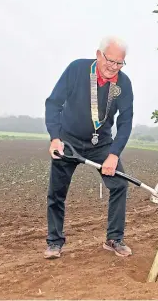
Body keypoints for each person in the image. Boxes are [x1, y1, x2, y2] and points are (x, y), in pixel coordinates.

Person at [43, 36, 134, 258]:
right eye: (110, 61)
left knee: (119, 185)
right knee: (57, 193)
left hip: (100, 143)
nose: (113, 67)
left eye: (119, 63)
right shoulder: (77, 69)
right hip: (68, 141)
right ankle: (55, 242)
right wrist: (55, 137)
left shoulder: (123, 83)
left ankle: (114, 238)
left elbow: (125, 121)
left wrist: (113, 154)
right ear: (98, 54)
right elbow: (53, 103)